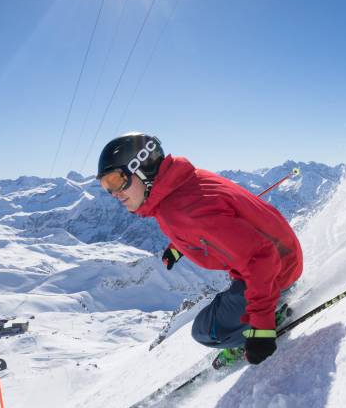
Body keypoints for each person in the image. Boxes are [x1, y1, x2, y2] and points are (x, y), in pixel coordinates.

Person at [96, 132, 302, 365]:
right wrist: (179, 246)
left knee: (205, 331)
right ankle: (264, 308)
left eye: (116, 180)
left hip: (276, 269)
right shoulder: (185, 183)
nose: (114, 193)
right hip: (284, 251)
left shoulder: (181, 211)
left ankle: (265, 318)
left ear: (141, 167)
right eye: (106, 186)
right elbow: (212, 223)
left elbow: (261, 256)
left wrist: (262, 328)